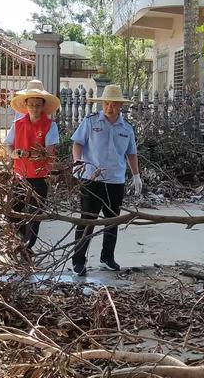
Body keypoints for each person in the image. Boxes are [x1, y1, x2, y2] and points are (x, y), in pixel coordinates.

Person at [70, 84, 142, 276]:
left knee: (112, 220)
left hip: (115, 180)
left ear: (120, 106)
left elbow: (131, 153)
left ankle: (107, 257)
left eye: (113, 104)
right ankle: (78, 260)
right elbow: (77, 143)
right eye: (106, 104)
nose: (109, 107)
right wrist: (77, 162)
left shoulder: (127, 128)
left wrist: (136, 175)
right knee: (87, 219)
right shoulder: (90, 121)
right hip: (91, 178)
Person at [5, 79, 61, 254]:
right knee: (12, 212)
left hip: (40, 176)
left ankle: (28, 246)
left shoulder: (50, 126)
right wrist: (13, 153)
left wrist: (29, 154)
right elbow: (8, 146)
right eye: (31, 105)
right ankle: (23, 243)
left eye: (38, 105)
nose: (35, 108)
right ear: (26, 105)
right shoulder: (17, 124)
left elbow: (49, 151)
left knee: (36, 215)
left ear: (43, 106)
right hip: (20, 174)